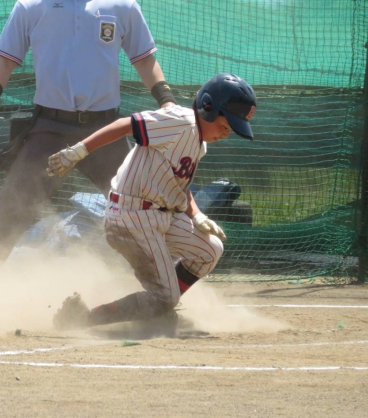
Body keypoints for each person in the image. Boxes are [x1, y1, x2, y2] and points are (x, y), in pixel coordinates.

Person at [0, 0, 177, 261]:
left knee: (139, 207)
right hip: (50, 129)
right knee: (10, 208)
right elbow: (5, 59)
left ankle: (165, 282)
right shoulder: (29, 6)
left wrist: (167, 102)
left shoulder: (123, 6)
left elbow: (144, 60)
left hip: (105, 130)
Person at [46, 73, 257, 331]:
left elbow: (179, 185)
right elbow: (125, 124)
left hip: (161, 217)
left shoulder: (198, 143)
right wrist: (78, 151)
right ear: (209, 107)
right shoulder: (180, 122)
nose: (227, 134)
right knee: (164, 297)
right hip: (131, 216)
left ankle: (160, 306)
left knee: (210, 250)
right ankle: (82, 318)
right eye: (226, 126)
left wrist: (198, 215)